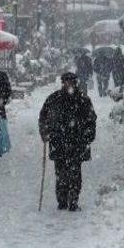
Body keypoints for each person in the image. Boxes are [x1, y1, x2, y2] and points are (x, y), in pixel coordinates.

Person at [39, 72, 97, 212]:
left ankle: (73, 201)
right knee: (61, 173)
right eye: (66, 82)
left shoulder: (83, 100)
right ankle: (62, 200)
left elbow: (91, 120)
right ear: (63, 83)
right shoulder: (54, 99)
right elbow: (43, 117)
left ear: (75, 83)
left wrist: (87, 137)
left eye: (71, 82)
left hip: (77, 143)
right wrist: (45, 132)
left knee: (75, 173)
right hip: (59, 142)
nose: (69, 85)